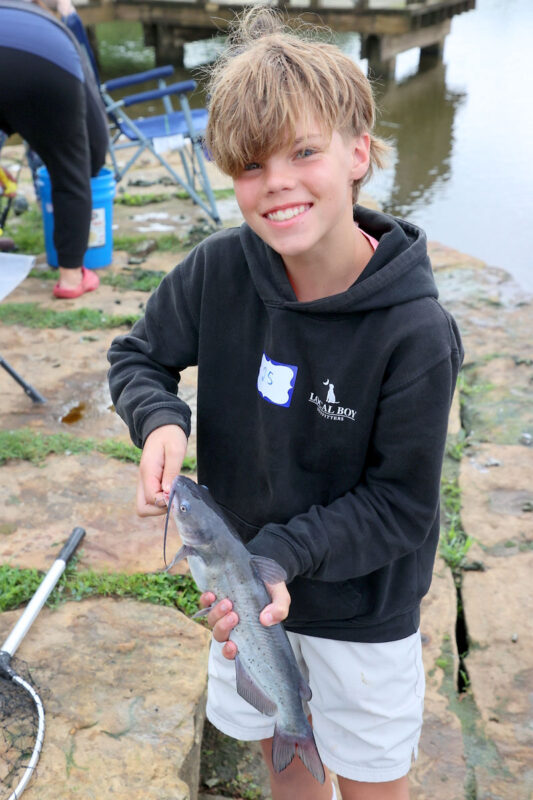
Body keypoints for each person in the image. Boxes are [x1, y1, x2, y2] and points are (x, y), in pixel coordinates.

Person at [107, 8, 463, 799]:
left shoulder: (413, 331)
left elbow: (400, 506)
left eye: (304, 153)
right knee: (285, 757)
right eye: (249, 166)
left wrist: (280, 558)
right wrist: (159, 419)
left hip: (360, 613)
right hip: (250, 598)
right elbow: (138, 355)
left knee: (372, 783)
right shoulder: (217, 273)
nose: (277, 184)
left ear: (358, 152)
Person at [0, 0, 108, 298]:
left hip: (39, 56)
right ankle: (72, 279)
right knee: (70, 172)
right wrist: (91, 163)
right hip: (47, 62)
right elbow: (96, 129)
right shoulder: (56, 28)